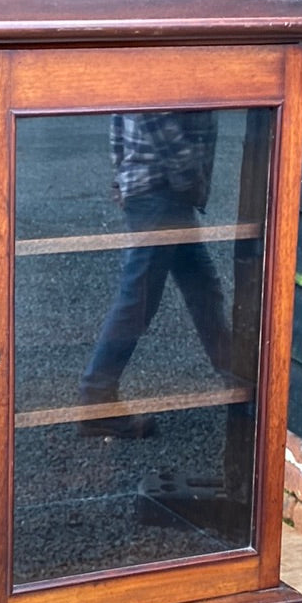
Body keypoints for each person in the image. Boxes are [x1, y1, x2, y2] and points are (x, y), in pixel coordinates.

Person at [78, 109, 232, 439]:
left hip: (158, 188)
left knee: (202, 288)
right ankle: (96, 399)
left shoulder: (135, 58)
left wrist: (122, 175)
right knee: (140, 298)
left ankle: (240, 381)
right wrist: (191, 177)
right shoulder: (165, 60)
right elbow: (155, 113)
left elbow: (123, 114)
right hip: (162, 190)